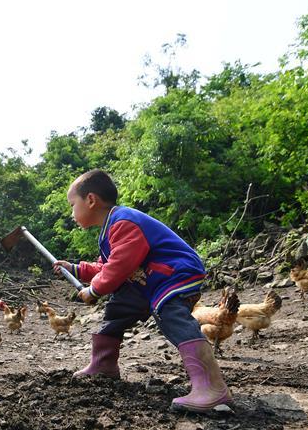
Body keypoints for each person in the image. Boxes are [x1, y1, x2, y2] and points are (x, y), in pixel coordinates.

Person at [52, 169, 232, 413]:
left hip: (173, 273)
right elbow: (106, 266)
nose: (71, 213)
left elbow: (119, 266)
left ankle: (212, 387)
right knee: (119, 308)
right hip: (150, 280)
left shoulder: (123, 221)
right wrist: (74, 268)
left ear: (91, 200)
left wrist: (93, 291)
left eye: (72, 205)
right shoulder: (111, 228)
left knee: (170, 315)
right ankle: (104, 365)